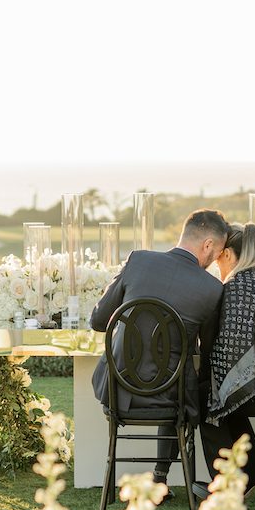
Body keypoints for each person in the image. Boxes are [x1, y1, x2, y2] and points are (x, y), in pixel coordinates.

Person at [89, 209, 230, 495]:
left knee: (169, 374)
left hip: (118, 391)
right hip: (172, 399)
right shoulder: (212, 289)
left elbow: (98, 321)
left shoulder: (139, 260)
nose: (214, 262)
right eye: (216, 255)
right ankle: (161, 476)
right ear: (208, 246)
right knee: (178, 379)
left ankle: (158, 479)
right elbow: (209, 349)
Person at [197, 222, 255, 499]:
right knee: (227, 405)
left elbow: (229, 350)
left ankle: (227, 486)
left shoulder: (236, 287)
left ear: (226, 255)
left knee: (207, 404)